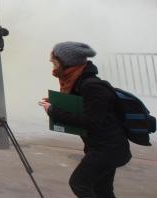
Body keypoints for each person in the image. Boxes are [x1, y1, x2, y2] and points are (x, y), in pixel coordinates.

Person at [39, 42, 131, 198]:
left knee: (79, 183)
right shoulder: (78, 83)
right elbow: (84, 110)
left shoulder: (92, 86)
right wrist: (56, 105)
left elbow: (91, 122)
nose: (53, 67)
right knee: (102, 190)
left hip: (109, 149)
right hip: (102, 147)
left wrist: (54, 111)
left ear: (67, 63)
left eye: (55, 63)